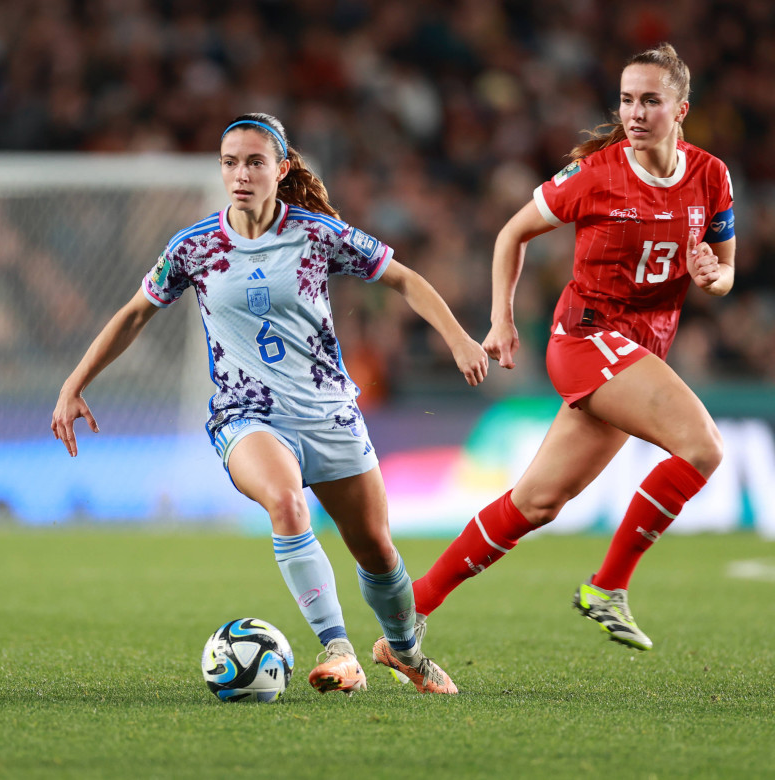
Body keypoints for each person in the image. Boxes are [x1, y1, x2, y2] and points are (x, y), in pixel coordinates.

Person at [52, 113, 488, 695]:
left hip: (329, 411)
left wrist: (457, 336)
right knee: (286, 503)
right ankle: (340, 651)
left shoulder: (315, 233)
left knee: (378, 551)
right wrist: (74, 383)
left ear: (281, 169)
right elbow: (134, 313)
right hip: (246, 413)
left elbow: (403, 278)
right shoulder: (195, 247)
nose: (240, 174)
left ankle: (404, 651)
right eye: (230, 162)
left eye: (255, 162)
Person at [410, 43, 735, 652]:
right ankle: (608, 586)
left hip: (638, 354)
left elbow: (726, 272)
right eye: (626, 100)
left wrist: (710, 275)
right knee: (703, 448)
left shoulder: (711, 176)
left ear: (681, 109)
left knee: (536, 503)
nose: (634, 113)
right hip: (586, 340)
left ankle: (412, 607)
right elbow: (513, 233)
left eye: (650, 101)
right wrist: (501, 321)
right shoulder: (597, 174)